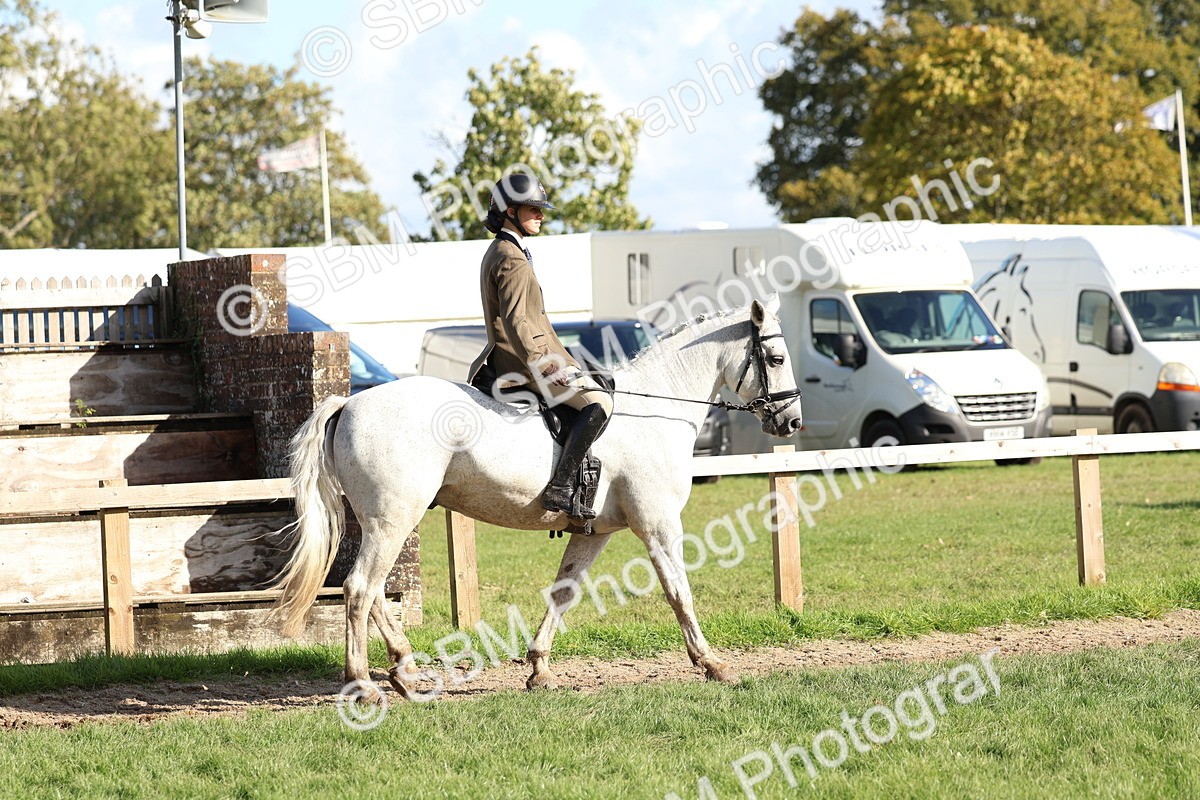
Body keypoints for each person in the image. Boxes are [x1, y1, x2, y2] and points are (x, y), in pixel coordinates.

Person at [467, 173, 614, 520]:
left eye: (540, 209)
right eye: (533, 208)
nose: (541, 215)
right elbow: (519, 321)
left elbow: (535, 321)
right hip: (517, 364)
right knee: (599, 403)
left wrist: (569, 361)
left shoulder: (505, 250)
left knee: (600, 381)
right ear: (508, 211)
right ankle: (561, 487)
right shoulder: (511, 258)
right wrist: (544, 364)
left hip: (527, 357)